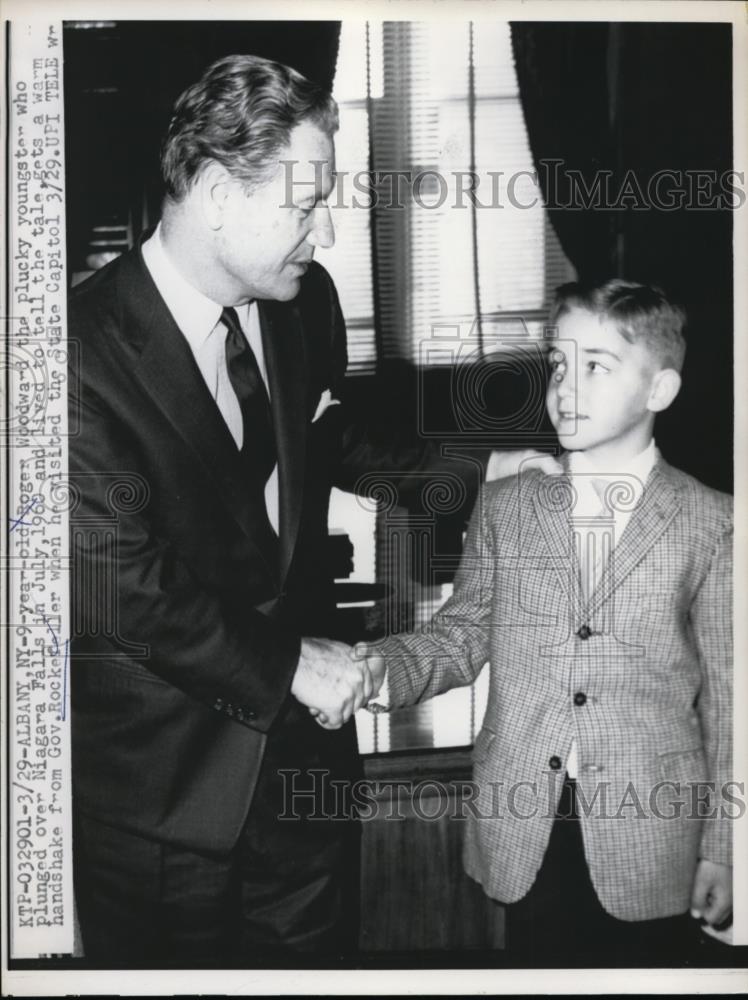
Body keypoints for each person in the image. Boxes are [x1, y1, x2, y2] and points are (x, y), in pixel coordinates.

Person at [68, 53, 553, 965]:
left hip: (306, 771)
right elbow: (120, 586)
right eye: (306, 204)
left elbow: (339, 440)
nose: (324, 232)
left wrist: (489, 469)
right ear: (218, 194)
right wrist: (292, 663)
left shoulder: (304, 303)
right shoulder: (71, 356)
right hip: (164, 802)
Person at [356, 280, 733, 960]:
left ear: (660, 390)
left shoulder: (715, 522)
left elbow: (733, 704)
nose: (566, 387)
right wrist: (375, 670)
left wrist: (727, 847)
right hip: (525, 819)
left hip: (653, 829)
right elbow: (460, 636)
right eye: (559, 364)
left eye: (597, 366)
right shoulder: (507, 505)